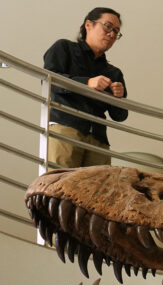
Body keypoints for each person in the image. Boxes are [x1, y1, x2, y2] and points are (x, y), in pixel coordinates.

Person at [43, 7, 127, 168]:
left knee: (99, 191)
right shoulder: (64, 48)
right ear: (88, 25)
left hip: (99, 139)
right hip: (66, 128)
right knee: (59, 187)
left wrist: (118, 98)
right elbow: (49, 81)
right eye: (108, 26)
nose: (112, 34)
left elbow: (120, 116)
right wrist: (87, 82)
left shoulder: (114, 72)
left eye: (116, 31)